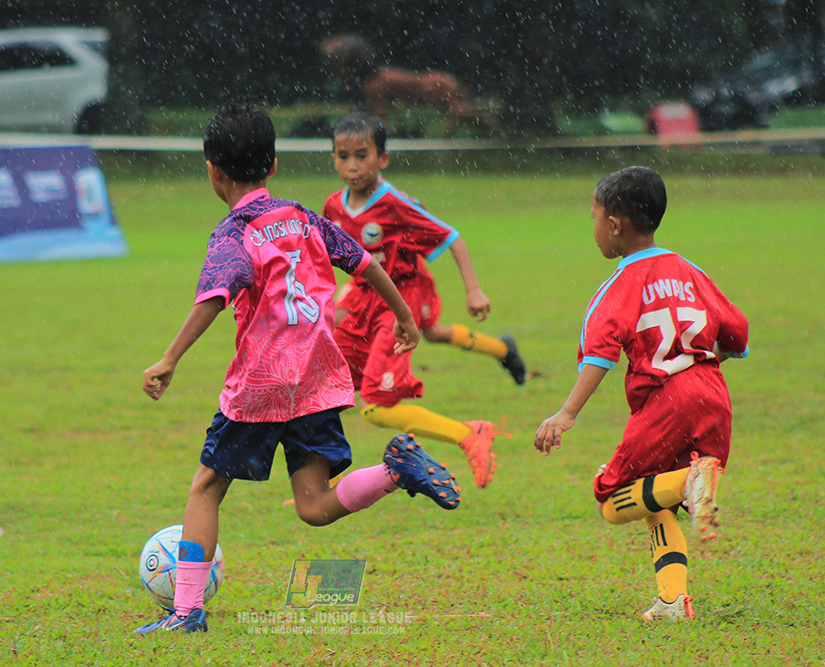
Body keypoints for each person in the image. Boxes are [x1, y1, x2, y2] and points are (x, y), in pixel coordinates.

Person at [135, 104, 463, 635]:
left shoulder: (234, 232)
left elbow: (215, 296)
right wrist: (404, 314)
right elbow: (363, 261)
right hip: (317, 378)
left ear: (213, 170)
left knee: (205, 489)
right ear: (275, 165)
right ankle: (394, 471)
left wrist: (170, 357)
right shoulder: (306, 218)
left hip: (264, 383)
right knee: (312, 506)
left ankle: (187, 610)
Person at [533, 166, 749, 622]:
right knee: (655, 497)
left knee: (613, 500)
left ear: (614, 224)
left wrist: (566, 413)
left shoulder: (619, 284)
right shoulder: (691, 271)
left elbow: (599, 355)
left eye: (593, 219)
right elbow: (737, 337)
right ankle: (672, 600)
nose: (592, 230)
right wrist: (694, 364)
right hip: (712, 392)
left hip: (667, 402)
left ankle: (691, 480)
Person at [324, 112, 523, 489]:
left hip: (403, 295)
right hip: (366, 295)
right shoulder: (333, 206)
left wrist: (473, 289)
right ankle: (502, 349)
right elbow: (332, 258)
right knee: (330, 386)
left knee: (375, 405)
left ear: (383, 158)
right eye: (342, 155)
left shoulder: (395, 203)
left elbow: (452, 238)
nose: (351, 166)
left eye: (361, 155)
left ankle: (469, 433)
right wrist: (336, 301)